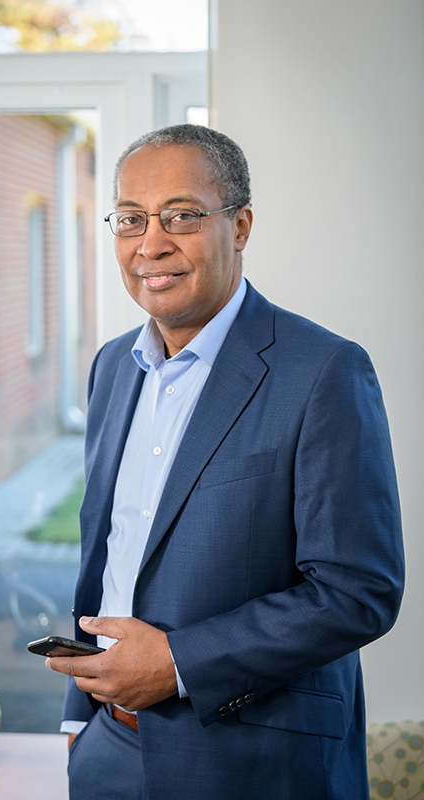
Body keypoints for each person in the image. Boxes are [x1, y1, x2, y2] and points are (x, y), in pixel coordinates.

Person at [46, 124, 404, 799]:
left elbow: (359, 591)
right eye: (129, 219)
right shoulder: (110, 369)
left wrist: (179, 661)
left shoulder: (322, 370)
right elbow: (110, 557)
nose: (151, 243)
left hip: (253, 766)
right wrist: (80, 722)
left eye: (181, 215)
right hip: (107, 751)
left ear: (238, 227)